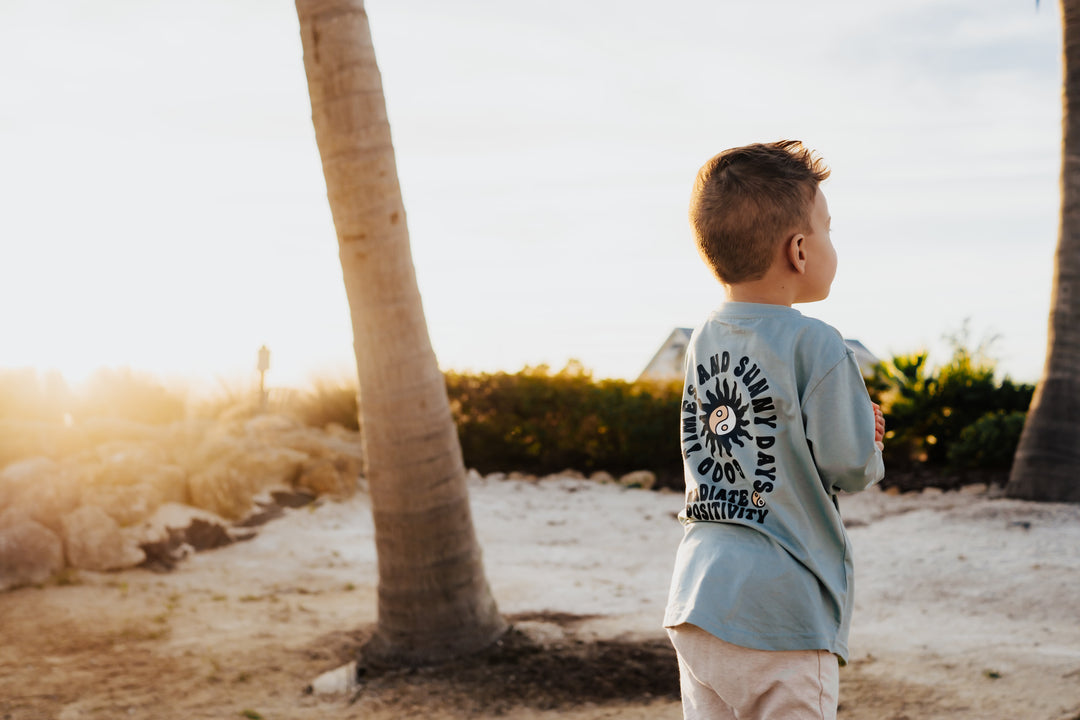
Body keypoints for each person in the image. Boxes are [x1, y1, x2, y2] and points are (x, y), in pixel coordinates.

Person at [663, 140, 886, 720]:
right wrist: (869, 434)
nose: (833, 245)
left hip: (698, 600)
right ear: (800, 250)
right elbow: (850, 464)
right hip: (781, 614)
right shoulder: (817, 342)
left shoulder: (703, 338)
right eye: (828, 230)